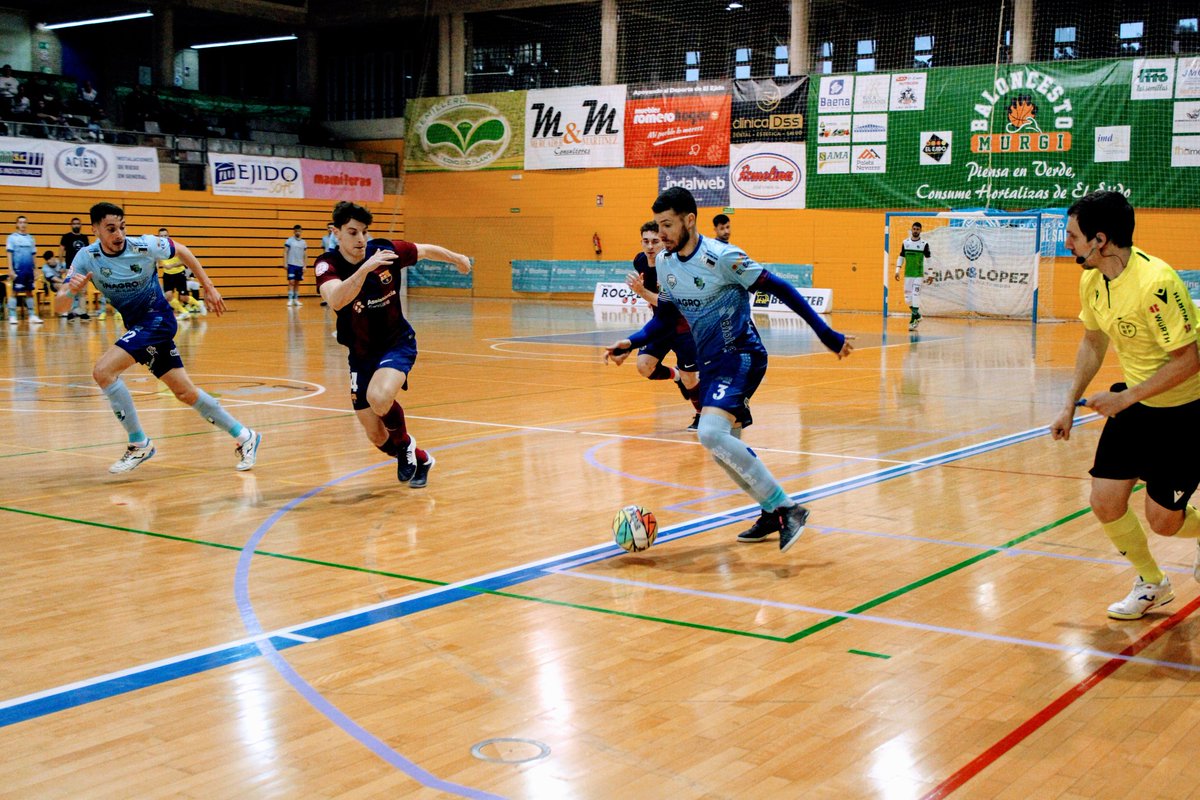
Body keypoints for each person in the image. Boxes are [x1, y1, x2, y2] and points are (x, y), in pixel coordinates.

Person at [605, 187, 854, 552]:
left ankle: (788, 508)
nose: (661, 235)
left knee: (709, 433)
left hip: (741, 355)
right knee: (725, 448)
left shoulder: (723, 258)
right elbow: (668, 317)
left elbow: (781, 288)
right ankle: (771, 511)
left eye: (668, 225)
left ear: (690, 220)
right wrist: (632, 342)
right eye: (658, 227)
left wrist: (826, 333)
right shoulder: (667, 263)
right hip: (712, 363)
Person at [1050, 190, 1200, 619]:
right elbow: (1093, 341)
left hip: (1185, 411)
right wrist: (1069, 405)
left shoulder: (1157, 283)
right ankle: (1152, 582)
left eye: (1074, 235)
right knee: (1105, 501)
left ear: (1100, 239)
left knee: (1163, 521)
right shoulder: (1092, 280)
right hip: (1134, 401)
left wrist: (1125, 399)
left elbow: (1189, 361)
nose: (1068, 243)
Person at [55, 202, 261, 474]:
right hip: (140, 327)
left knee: (103, 371)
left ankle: (139, 443)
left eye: (122, 227)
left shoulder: (144, 245)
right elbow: (60, 307)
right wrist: (70, 291)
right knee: (185, 392)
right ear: (95, 230)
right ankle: (245, 436)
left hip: (157, 321)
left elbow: (183, 251)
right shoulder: (86, 257)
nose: (119, 235)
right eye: (111, 229)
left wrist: (208, 287)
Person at [314, 201, 471, 489]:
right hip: (360, 355)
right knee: (375, 435)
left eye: (364, 232)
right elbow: (335, 299)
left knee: (379, 396)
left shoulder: (384, 251)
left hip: (396, 344)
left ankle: (407, 449)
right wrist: (364, 270)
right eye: (352, 232)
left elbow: (423, 249)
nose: (360, 239)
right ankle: (418, 455)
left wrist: (457, 257)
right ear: (335, 232)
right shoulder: (328, 264)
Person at [623, 220, 702, 430]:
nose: (650, 246)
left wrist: (642, 293)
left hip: (684, 326)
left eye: (655, 241)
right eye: (645, 241)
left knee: (690, 376)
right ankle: (675, 375)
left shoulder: (673, 266)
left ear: (664, 241)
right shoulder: (640, 262)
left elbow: (672, 305)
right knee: (644, 366)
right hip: (661, 325)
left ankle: (701, 414)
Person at [155, 227, 202, 318]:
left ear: (168, 236)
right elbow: (157, 261)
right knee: (168, 296)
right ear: (158, 237)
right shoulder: (157, 249)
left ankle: (199, 304)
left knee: (183, 298)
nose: (164, 237)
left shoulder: (175, 247)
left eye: (165, 235)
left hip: (179, 274)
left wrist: (172, 266)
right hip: (167, 275)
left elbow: (184, 261)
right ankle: (184, 312)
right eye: (161, 236)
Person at [894, 222, 931, 331]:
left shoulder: (924, 244)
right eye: (914, 229)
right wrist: (897, 270)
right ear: (911, 229)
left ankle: (913, 320)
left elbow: (929, 260)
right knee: (907, 299)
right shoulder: (905, 243)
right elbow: (901, 256)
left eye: (917, 229)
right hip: (908, 275)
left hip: (918, 275)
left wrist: (930, 274)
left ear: (920, 231)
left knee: (915, 295)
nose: (915, 231)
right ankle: (918, 315)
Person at [6, 215, 42, 324]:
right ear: (16, 224)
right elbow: (9, 254)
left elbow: (33, 255)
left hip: (28, 270)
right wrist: (10, 269)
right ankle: (12, 315)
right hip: (18, 270)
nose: (22, 224)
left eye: (24, 222)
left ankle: (32, 315)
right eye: (20, 222)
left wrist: (35, 269)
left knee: (29, 292)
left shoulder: (31, 238)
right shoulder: (12, 238)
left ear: (27, 224)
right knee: (14, 292)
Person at [59, 217, 90, 319]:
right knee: (71, 290)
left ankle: (82, 311)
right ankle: (70, 312)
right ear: (71, 225)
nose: (76, 225)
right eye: (74, 224)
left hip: (83, 268)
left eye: (78, 223)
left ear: (81, 225)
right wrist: (61, 264)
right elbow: (61, 250)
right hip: (70, 267)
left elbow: (88, 252)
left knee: (82, 291)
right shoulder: (66, 237)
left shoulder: (84, 238)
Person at [283, 224, 307, 307]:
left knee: (297, 282)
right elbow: (285, 252)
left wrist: (305, 265)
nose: (298, 232)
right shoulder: (289, 241)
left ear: (301, 231)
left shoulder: (303, 242)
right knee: (291, 282)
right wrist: (285, 263)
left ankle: (296, 299)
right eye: (296, 231)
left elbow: (305, 254)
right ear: (294, 231)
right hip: (291, 264)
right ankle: (290, 299)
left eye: (299, 231)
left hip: (299, 265)